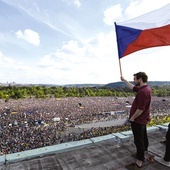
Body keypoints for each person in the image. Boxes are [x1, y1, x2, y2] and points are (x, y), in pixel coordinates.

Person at [121, 72, 152, 168]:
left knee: (138, 140)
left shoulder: (143, 92)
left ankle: (139, 161)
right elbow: (133, 88)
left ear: (140, 79)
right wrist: (124, 80)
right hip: (142, 119)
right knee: (143, 137)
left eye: (135, 79)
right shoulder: (146, 88)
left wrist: (132, 118)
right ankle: (143, 151)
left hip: (138, 120)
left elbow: (140, 109)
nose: (134, 81)